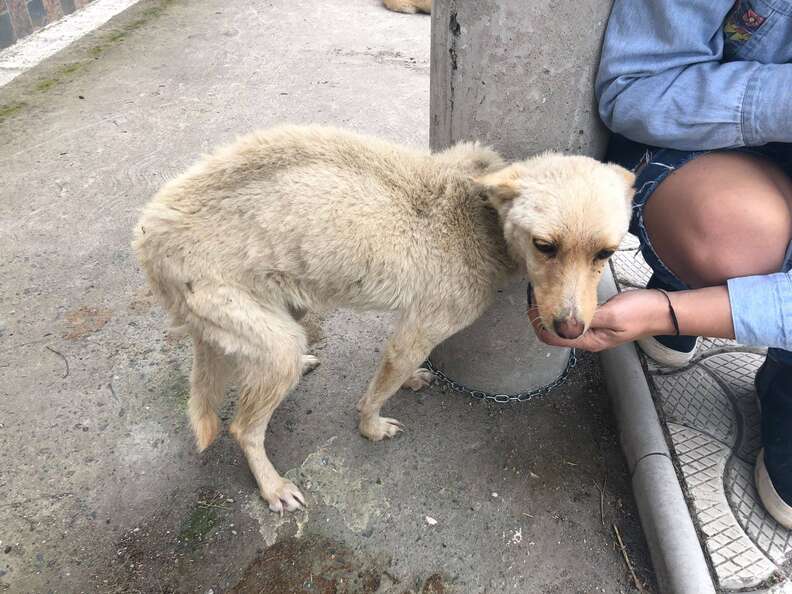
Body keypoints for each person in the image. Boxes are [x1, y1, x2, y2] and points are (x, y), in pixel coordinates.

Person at [531, 0, 792, 529]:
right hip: (705, 138)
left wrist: (669, 313)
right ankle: (678, 262)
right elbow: (636, 89)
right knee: (735, 231)